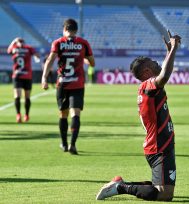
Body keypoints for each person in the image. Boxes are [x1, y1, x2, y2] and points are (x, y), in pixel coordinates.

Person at [96, 30, 181, 201]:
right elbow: (164, 75)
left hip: (162, 145)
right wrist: (173, 50)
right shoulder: (148, 86)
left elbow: (162, 72)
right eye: (154, 62)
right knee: (164, 195)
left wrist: (169, 52)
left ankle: (120, 183)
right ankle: (120, 187)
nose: (158, 63)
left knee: (162, 189)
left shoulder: (148, 86)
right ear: (147, 71)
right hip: (159, 147)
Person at [41, 19, 95, 155]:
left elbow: (50, 60)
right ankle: (73, 144)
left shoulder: (58, 43)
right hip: (77, 83)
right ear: (76, 30)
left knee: (63, 114)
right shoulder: (83, 43)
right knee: (75, 114)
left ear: (64, 29)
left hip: (62, 83)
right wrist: (82, 58)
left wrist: (44, 78)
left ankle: (64, 144)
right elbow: (92, 63)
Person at [7, 37, 40, 123]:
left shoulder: (16, 48)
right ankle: (20, 114)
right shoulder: (28, 48)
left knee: (24, 97)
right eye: (19, 42)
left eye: (21, 42)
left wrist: (13, 41)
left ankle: (25, 114)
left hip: (23, 76)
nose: (20, 43)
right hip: (21, 76)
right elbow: (37, 55)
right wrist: (37, 57)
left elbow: (8, 50)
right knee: (19, 96)